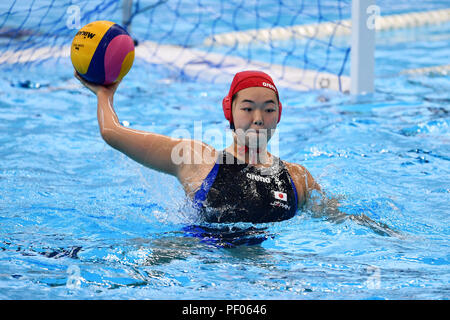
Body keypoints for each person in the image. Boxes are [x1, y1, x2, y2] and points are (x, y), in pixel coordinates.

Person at [74, 69, 399, 236]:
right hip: (196, 259)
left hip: (269, 272)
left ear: (279, 114)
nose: (258, 118)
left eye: (268, 109)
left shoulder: (297, 177)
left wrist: (392, 235)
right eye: (248, 108)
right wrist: (105, 94)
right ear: (229, 111)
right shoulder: (198, 158)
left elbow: (339, 218)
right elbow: (113, 134)